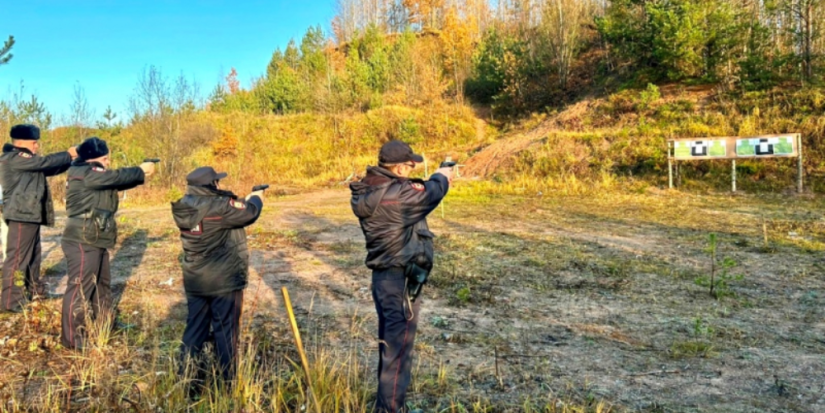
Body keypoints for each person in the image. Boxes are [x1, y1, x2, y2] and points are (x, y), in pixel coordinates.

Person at [350, 140, 454, 413]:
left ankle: (388, 405)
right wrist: (443, 174)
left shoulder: (373, 189)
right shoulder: (396, 194)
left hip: (387, 279)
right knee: (398, 352)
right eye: (409, 165)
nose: (412, 169)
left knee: (390, 347)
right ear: (398, 167)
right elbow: (432, 191)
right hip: (400, 281)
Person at [171, 167, 264, 387]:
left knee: (195, 329)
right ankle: (228, 383)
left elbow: (222, 212)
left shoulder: (185, 205)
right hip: (223, 281)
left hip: (195, 280)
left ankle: (186, 378)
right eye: (217, 182)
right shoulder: (220, 207)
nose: (220, 185)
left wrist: (242, 200)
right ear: (211, 185)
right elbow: (250, 213)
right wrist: (257, 198)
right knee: (226, 332)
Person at [60, 137, 154, 349]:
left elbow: (116, 179)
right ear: (95, 159)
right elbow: (115, 176)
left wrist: (141, 175)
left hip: (95, 236)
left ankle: (105, 325)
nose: (108, 162)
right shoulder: (84, 173)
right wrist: (140, 170)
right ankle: (73, 339)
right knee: (80, 288)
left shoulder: (91, 174)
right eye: (105, 158)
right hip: (82, 238)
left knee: (101, 286)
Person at [0, 124, 77, 313]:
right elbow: (43, 163)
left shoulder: (27, 162)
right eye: (34, 143)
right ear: (22, 143)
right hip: (21, 216)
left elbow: (48, 167)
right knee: (17, 260)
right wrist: (68, 153)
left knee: (33, 257)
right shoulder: (13, 158)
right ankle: (11, 301)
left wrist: (71, 160)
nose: (36, 147)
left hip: (29, 216)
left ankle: (34, 290)